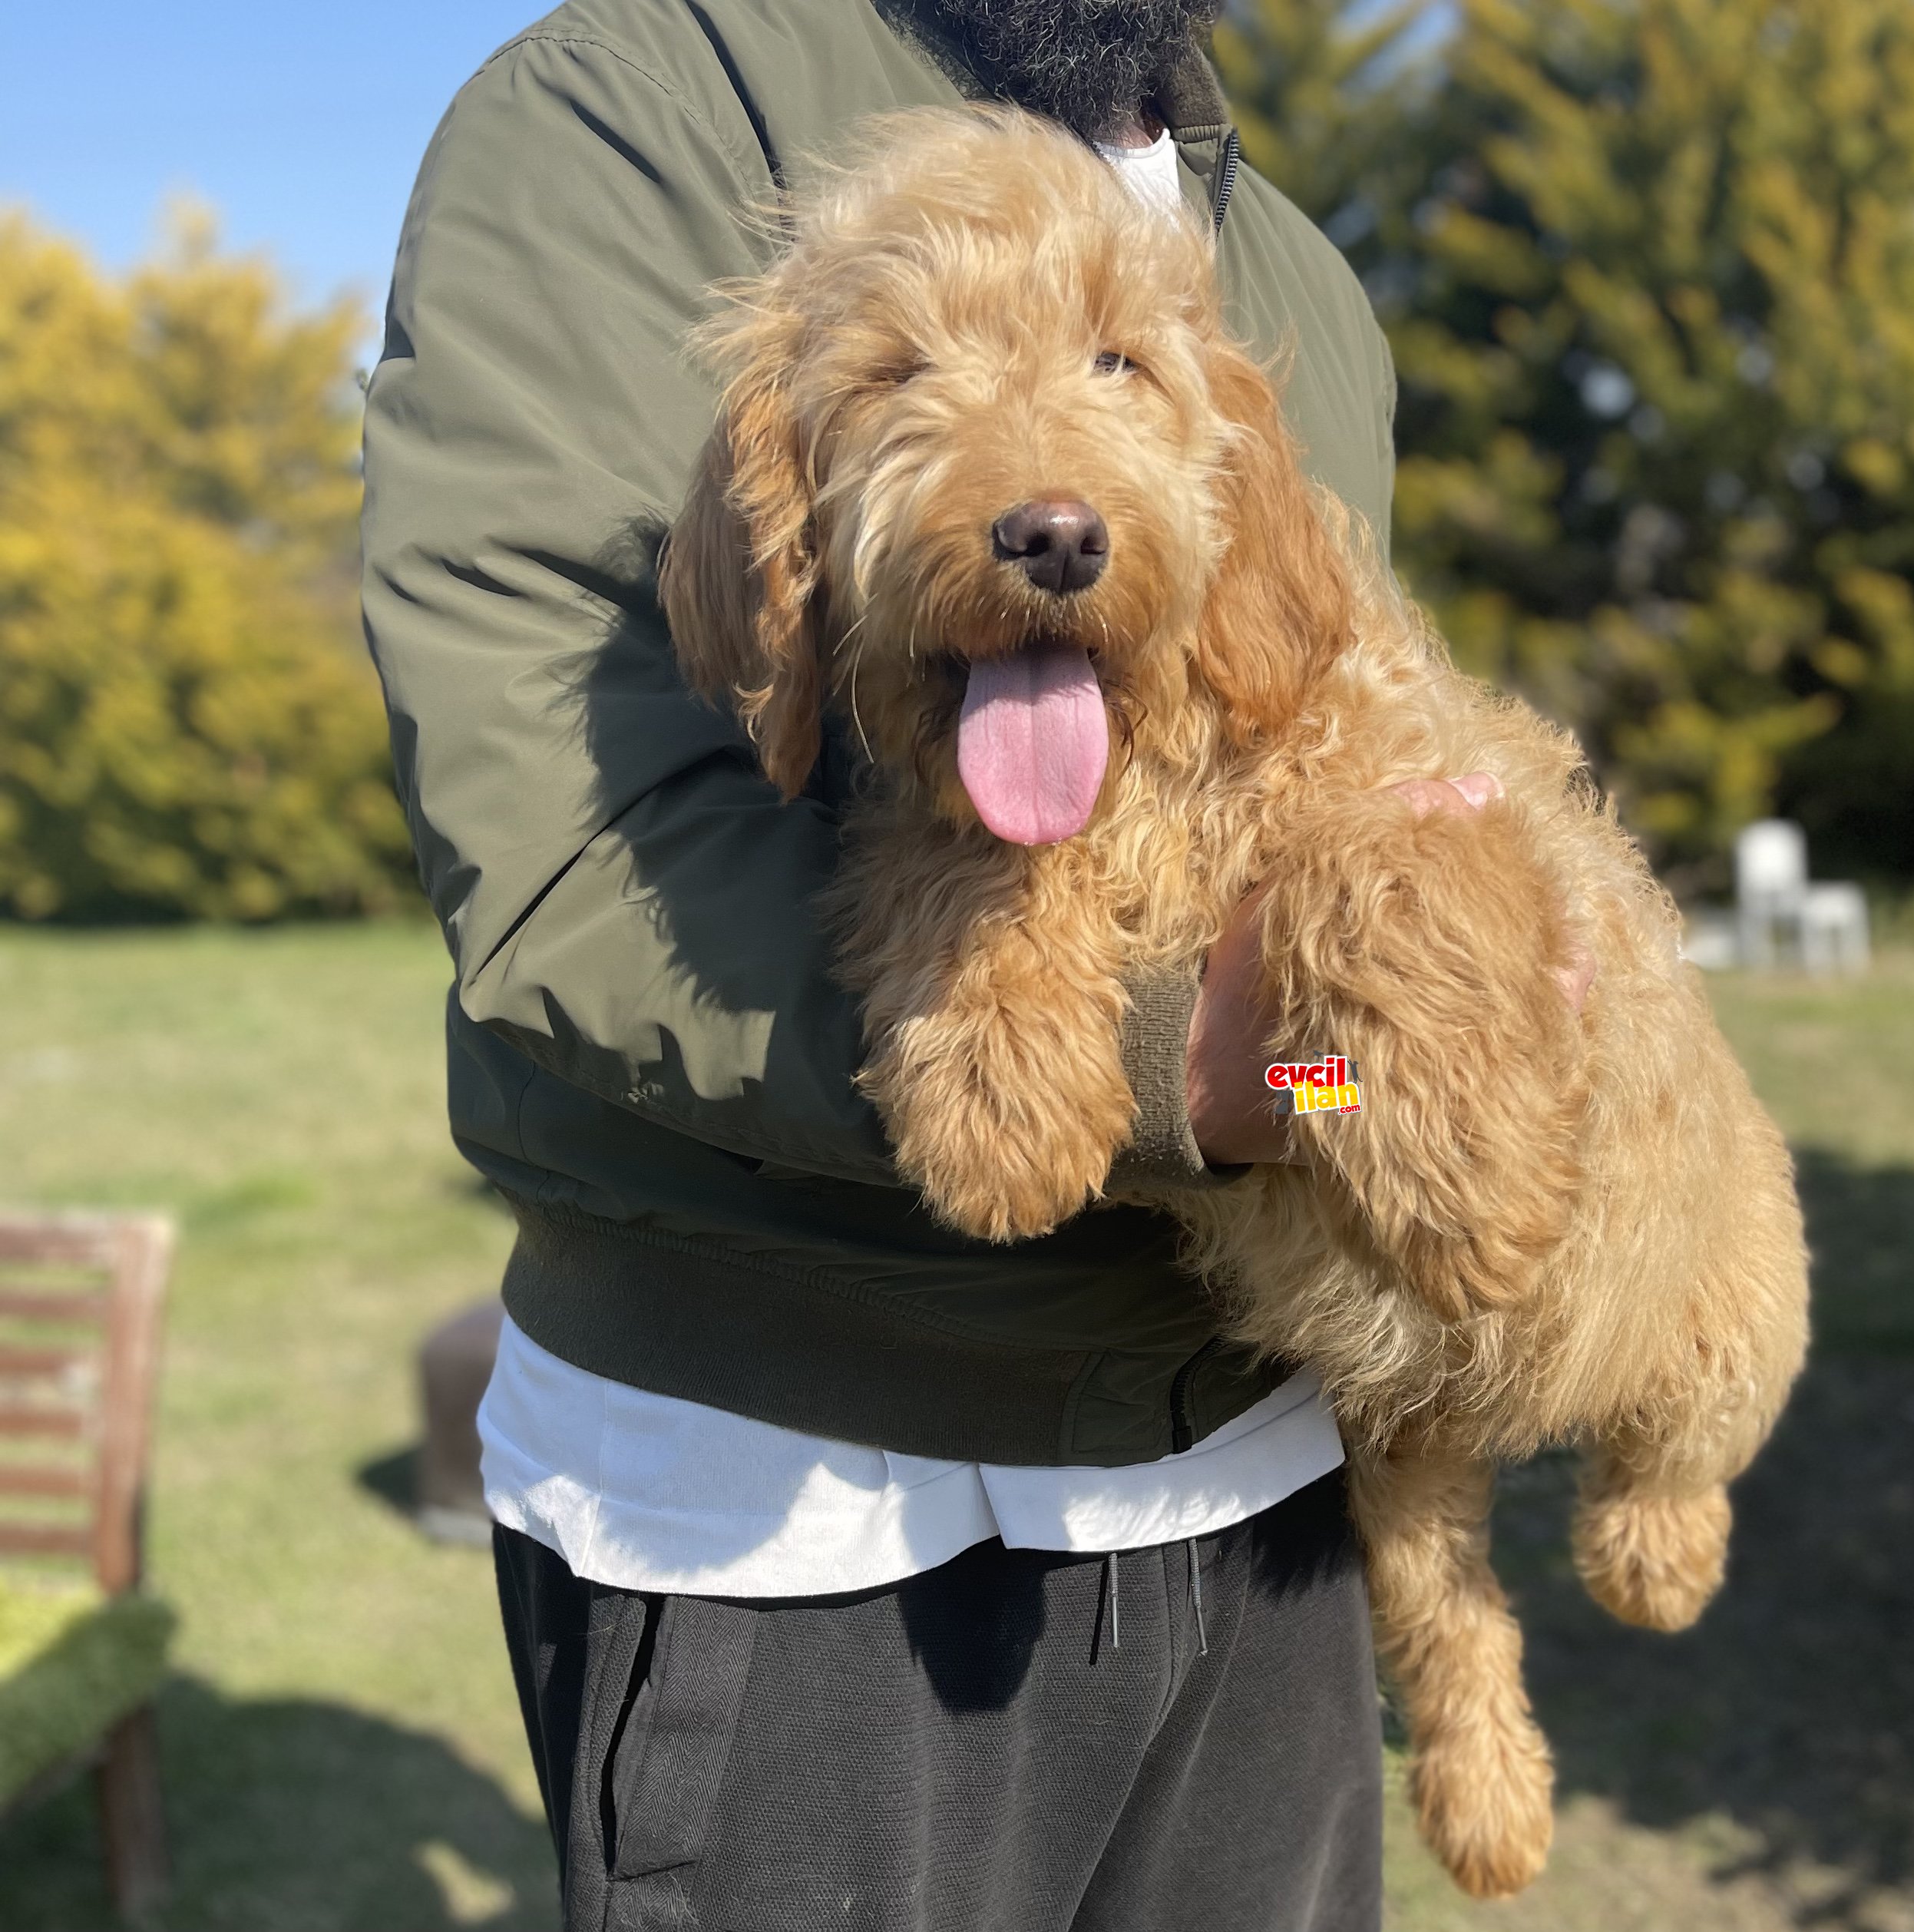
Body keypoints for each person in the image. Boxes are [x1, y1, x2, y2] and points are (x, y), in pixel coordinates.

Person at [362, 3, 1489, 1925]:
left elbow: (1307, 998)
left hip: (1263, 1485)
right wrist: (1171, 1072)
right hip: (803, 1525)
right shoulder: (638, 108)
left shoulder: (1292, 269)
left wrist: (1357, 1076)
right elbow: (565, 855)